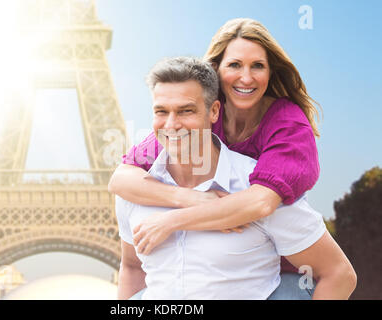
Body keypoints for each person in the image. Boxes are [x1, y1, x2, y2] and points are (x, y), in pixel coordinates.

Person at [109, 18, 323, 297]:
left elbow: (260, 203)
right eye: (234, 65)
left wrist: (171, 221)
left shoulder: (288, 126)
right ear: (216, 70)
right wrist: (191, 197)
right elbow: (122, 177)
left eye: (257, 66)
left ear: (271, 72)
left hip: (281, 266)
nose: (246, 77)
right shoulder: (190, 118)